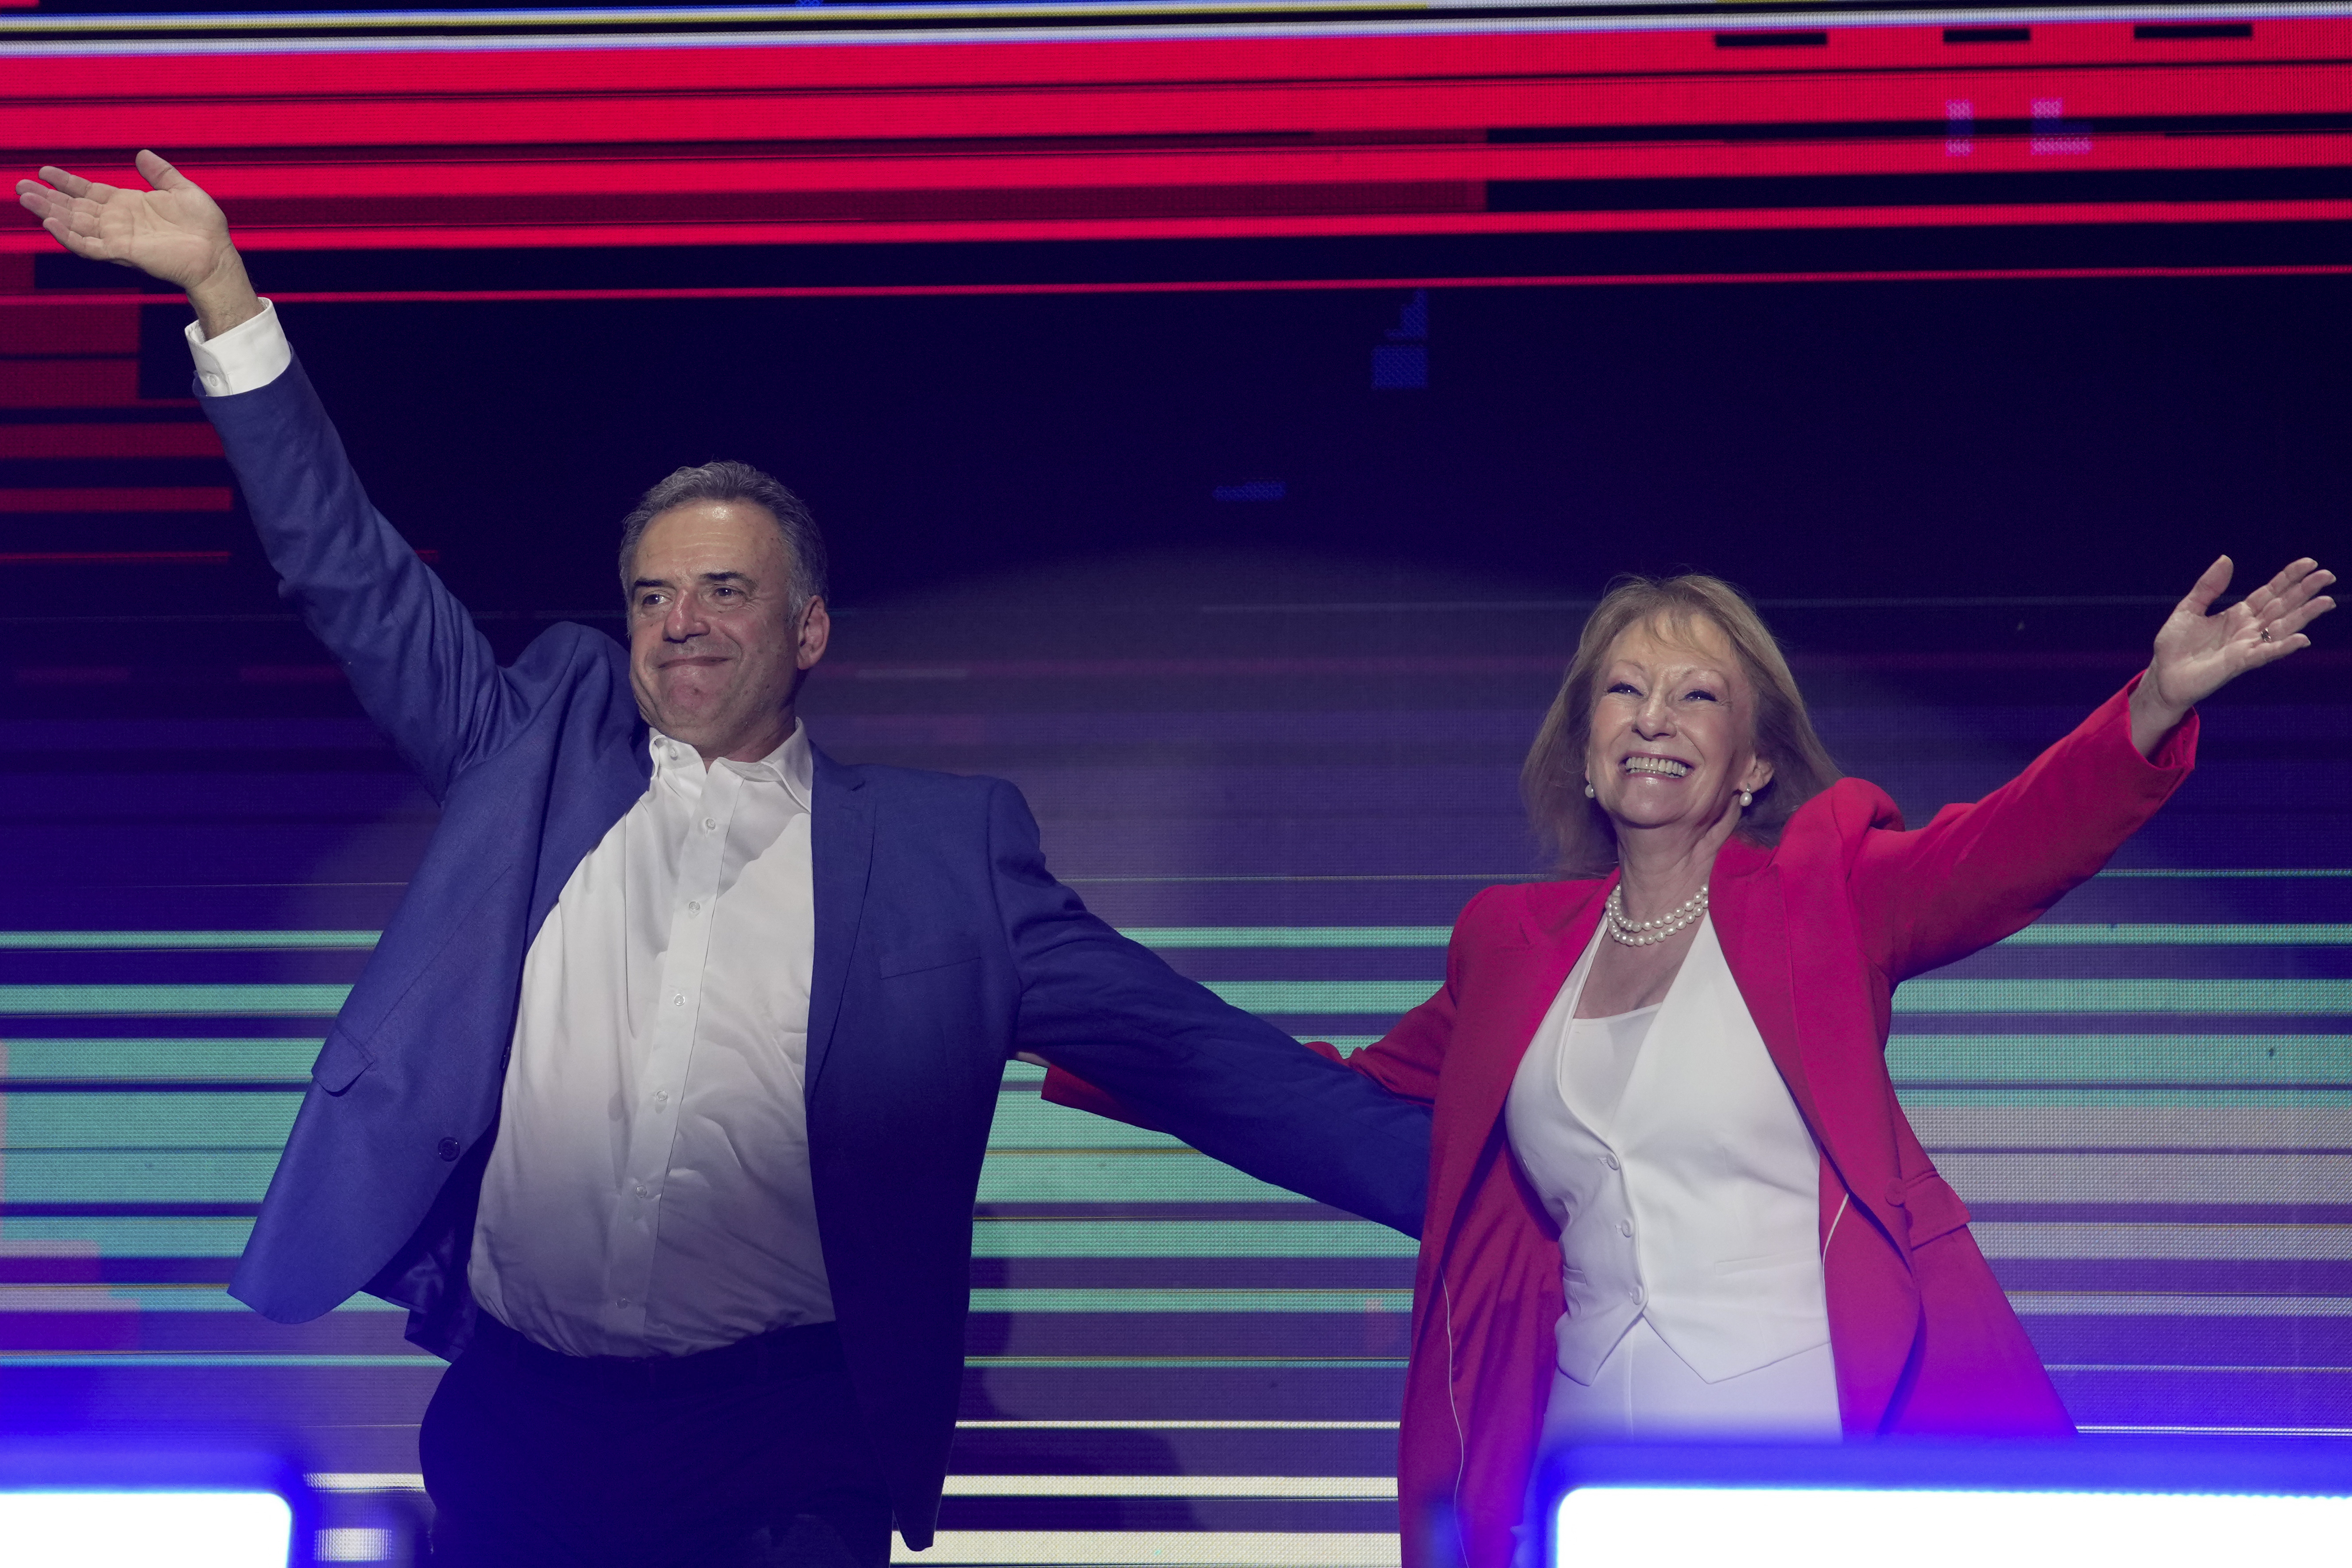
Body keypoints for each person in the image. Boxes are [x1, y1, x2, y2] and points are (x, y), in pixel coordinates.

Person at [16, 153, 1433, 1568]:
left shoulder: (945, 858)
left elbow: (1207, 1066)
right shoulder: (530, 755)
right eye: (653, 593)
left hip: (782, 1444)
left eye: (725, 592)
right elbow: (346, 568)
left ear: (807, 631)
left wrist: (1491, 1194)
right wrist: (222, 291)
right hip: (527, 1420)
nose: (682, 622)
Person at [1049, 565, 2334, 1568]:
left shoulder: (1826, 896)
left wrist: (2152, 705)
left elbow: (2004, 851)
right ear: (1585, 739)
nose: (1654, 720)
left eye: (1697, 696)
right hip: (1594, 1456)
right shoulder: (1510, 943)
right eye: (1624, 691)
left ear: (1754, 763)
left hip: (1815, 1445)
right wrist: (1081, 1026)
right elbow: (1343, 1100)